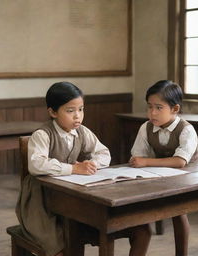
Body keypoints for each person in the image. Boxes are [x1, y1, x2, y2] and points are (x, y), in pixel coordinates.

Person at [16, 81, 151, 256]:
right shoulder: (42, 135)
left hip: (70, 194)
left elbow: (104, 153)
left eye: (81, 109)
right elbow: (36, 165)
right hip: (40, 201)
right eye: (70, 111)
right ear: (53, 112)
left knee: (136, 229)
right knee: (59, 246)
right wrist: (74, 169)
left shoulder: (82, 132)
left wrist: (92, 164)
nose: (77, 116)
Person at [129, 80, 198, 256]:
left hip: (188, 177)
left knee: (178, 210)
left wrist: (146, 162)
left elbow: (180, 162)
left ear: (175, 109)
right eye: (149, 107)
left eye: (159, 107)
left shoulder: (187, 130)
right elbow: (138, 156)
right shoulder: (146, 128)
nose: (152, 113)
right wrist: (141, 161)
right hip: (161, 175)